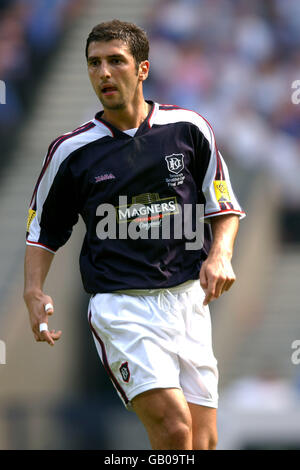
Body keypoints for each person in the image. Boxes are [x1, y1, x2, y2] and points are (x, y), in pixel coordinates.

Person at [23, 19, 245, 450]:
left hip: (188, 302)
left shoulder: (189, 128)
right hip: (122, 307)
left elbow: (225, 206)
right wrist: (33, 290)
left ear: (142, 69)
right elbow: (43, 231)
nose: (104, 73)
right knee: (175, 428)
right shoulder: (71, 151)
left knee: (202, 441)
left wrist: (220, 254)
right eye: (94, 63)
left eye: (115, 62)